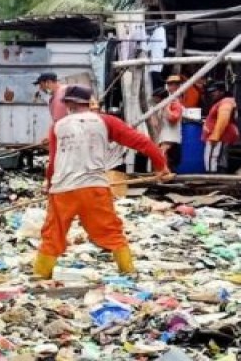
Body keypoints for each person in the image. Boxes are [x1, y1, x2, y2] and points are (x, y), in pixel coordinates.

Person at [33, 86, 173, 280]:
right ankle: (128, 271)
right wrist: (161, 166)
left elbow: (53, 163)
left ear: (67, 103)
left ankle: (40, 275)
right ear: (89, 103)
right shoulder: (105, 121)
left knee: (53, 233)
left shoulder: (58, 126)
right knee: (111, 230)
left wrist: (49, 186)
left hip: (62, 189)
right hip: (94, 187)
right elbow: (143, 142)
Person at [202, 83, 240, 173]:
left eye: (214, 91)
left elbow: (224, 118)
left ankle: (213, 180)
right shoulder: (224, 102)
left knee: (213, 158)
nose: (212, 94)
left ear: (222, 92)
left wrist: (215, 136)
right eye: (211, 92)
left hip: (220, 136)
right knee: (219, 159)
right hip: (220, 135)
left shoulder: (226, 102)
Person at [151, 86, 185, 171]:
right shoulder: (158, 108)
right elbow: (155, 124)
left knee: (165, 155)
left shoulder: (175, 105)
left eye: (156, 98)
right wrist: (153, 113)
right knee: (163, 156)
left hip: (171, 136)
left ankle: (166, 173)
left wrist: (166, 107)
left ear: (160, 97)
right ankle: (165, 173)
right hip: (162, 136)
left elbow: (173, 119)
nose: (154, 101)